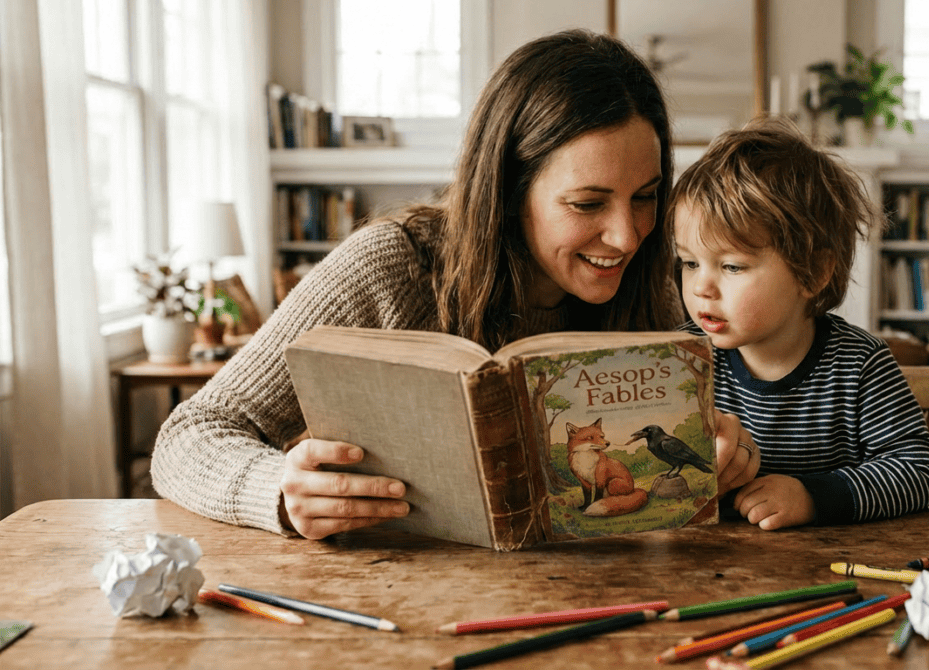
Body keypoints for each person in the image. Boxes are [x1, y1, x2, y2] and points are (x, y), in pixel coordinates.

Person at [150, 29, 759, 540]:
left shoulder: (652, 280)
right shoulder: (390, 266)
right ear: (509, 191)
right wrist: (278, 490)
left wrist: (731, 454)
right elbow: (189, 435)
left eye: (646, 198)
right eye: (586, 203)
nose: (627, 237)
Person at [668, 117, 929, 531]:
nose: (701, 286)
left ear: (812, 273)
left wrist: (814, 497)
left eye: (732, 266)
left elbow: (917, 470)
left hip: (826, 568)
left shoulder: (859, 365)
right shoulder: (682, 360)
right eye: (689, 262)